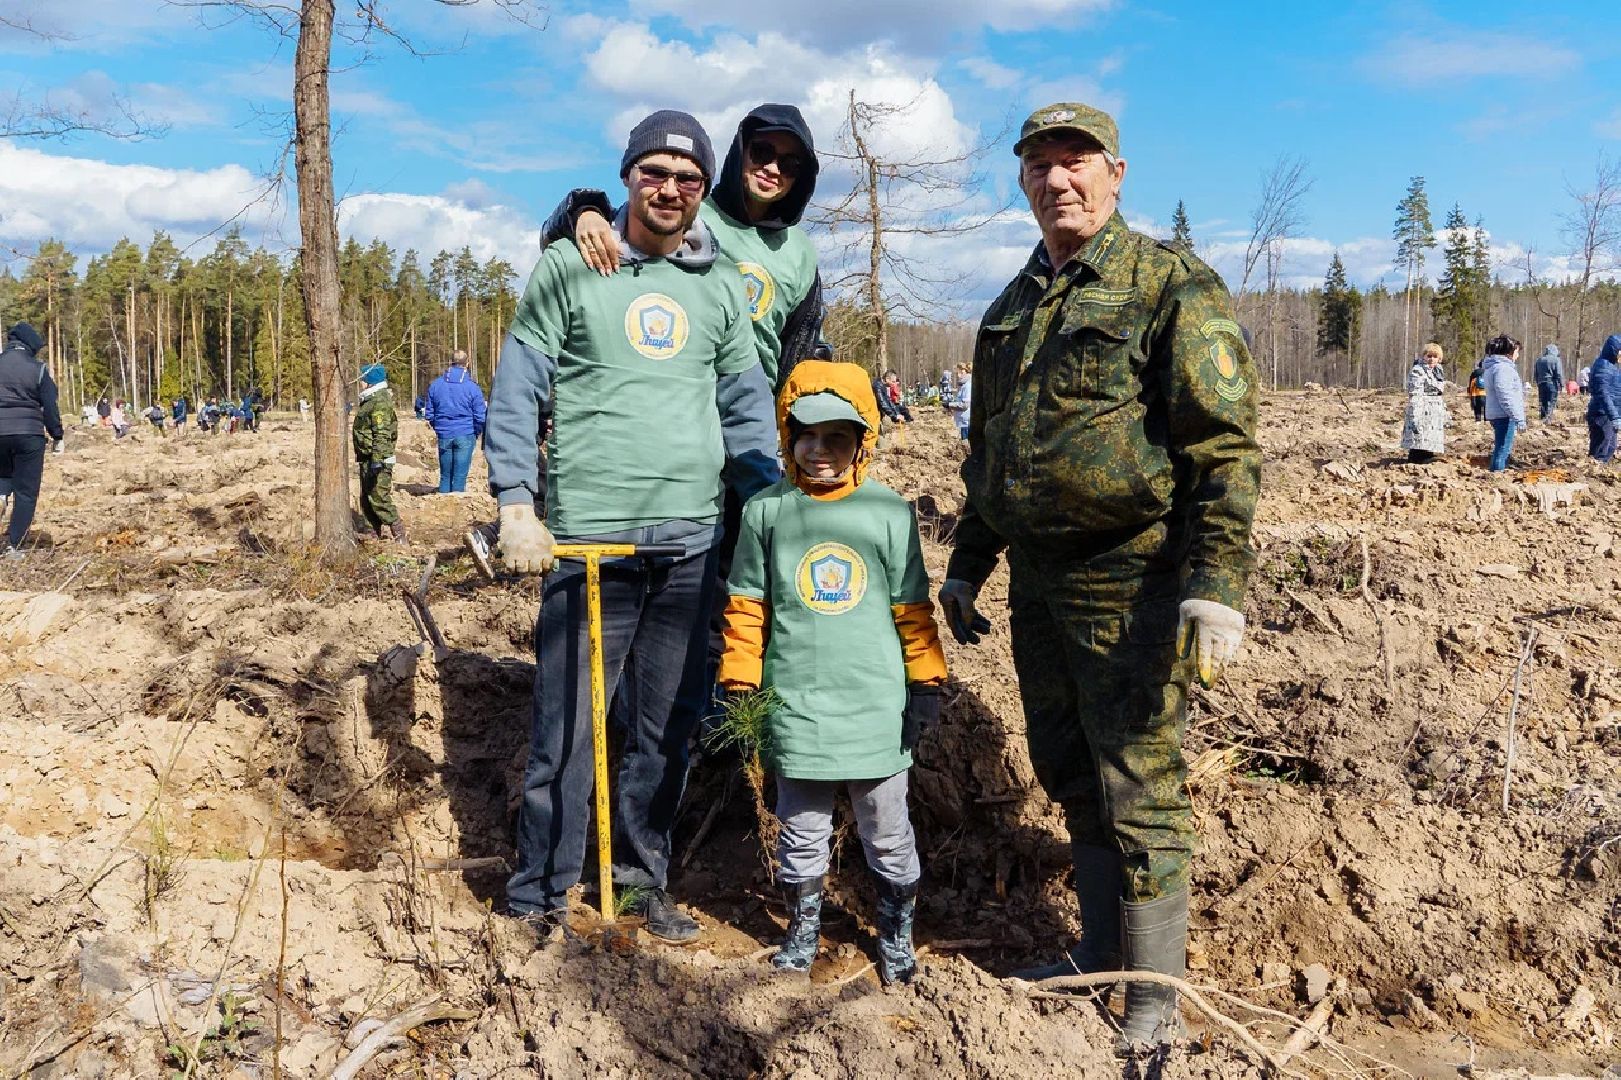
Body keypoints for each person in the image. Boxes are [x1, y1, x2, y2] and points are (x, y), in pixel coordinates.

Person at [939, 102, 1260, 1046]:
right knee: (1070, 770)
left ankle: (1152, 998)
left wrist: (1214, 583)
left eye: (1074, 161)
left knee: (1140, 782)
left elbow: (1223, 444)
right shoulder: (1007, 311)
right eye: (1038, 165)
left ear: (1115, 173)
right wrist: (965, 568)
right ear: (1023, 182)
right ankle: (1096, 953)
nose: (1056, 180)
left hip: (1134, 579)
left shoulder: (1166, 284)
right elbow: (989, 456)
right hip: (1039, 581)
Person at [485, 110, 779, 941]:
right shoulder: (571, 267)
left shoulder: (718, 286)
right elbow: (518, 389)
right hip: (589, 549)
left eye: (688, 179)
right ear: (626, 177)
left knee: (662, 735)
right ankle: (538, 895)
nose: (671, 190)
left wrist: (765, 508)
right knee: (566, 738)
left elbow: (745, 409)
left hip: (690, 548)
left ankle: (642, 882)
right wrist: (514, 501)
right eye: (655, 173)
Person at [718, 360, 946, 983]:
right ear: (787, 435)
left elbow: (912, 609)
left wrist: (926, 681)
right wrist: (740, 680)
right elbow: (746, 604)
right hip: (796, 706)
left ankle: (896, 934)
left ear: (862, 441)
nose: (820, 451)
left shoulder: (889, 512)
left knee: (887, 831)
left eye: (837, 438)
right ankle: (803, 930)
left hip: (874, 708)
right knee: (801, 830)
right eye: (806, 436)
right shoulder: (766, 512)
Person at [0, 323, 65, 557]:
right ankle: (14, 545)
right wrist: (57, 435)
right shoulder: (37, 369)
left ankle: (1, 495)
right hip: (29, 433)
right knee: (26, 492)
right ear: (31, 345)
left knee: (3, 477)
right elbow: (49, 406)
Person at [352, 362, 406, 542]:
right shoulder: (370, 400)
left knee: (379, 497)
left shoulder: (379, 402)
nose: (360, 382)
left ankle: (398, 531)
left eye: (363, 378)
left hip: (378, 459)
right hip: (368, 457)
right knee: (367, 498)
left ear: (370, 380)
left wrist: (378, 460)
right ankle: (371, 531)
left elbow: (381, 433)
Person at [424, 350, 487, 494]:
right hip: (465, 433)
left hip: (444, 433)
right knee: (460, 475)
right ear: (467, 363)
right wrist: (476, 431)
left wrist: (438, 427)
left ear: (450, 362)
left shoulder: (436, 385)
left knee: (445, 475)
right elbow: (480, 415)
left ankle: (443, 501)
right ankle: (456, 508)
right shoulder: (472, 387)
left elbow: (429, 413)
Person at [1481, 333, 1526, 472]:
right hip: (1504, 415)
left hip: (1498, 413)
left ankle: (1495, 473)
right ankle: (1497, 475)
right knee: (1502, 449)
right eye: (1517, 351)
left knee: (1500, 447)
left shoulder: (1494, 367)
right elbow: (1505, 395)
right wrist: (1518, 417)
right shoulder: (1503, 369)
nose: (1518, 355)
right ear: (1509, 352)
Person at [1399, 343, 1448, 463]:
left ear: (1439, 359)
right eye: (1429, 355)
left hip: (1434, 411)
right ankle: (1416, 459)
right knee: (1419, 436)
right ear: (1424, 356)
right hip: (1422, 408)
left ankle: (1426, 455)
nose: (1431, 359)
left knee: (1429, 438)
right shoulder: (1418, 371)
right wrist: (1416, 412)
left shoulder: (1438, 372)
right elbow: (1415, 392)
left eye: (1435, 356)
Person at [1586, 334, 1620, 464]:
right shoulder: (1603, 366)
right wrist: (1614, 416)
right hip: (1602, 415)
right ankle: (1593, 477)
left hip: (1609, 414)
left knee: (1610, 447)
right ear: (1614, 350)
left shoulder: (1612, 366)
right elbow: (1603, 393)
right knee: (1601, 449)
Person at [1533, 344, 1563, 422]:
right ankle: (1548, 419)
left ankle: (1542, 418)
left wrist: (1537, 382)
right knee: (1551, 401)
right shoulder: (1556, 359)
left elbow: (1536, 373)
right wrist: (1561, 384)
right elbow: (1559, 373)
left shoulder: (1539, 360)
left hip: (1541, 383)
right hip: (1551, 383)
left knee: (1543, 401)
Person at [947, 363, 972, 441]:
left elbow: (965, 405)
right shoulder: (963, 386)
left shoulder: (967, 386)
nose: (958, 375)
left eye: (958, 372)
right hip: (963, 421)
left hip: (966, 421)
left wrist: (950, 405)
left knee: (966, 443)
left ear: (964, 371)